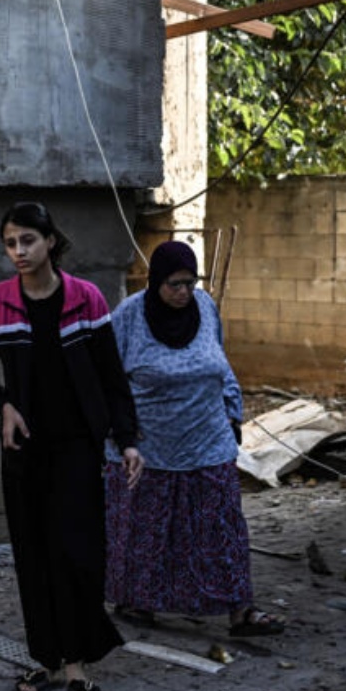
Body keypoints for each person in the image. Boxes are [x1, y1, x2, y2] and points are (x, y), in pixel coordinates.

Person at [0, 202, 144, 691]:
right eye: (9, 243)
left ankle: (77, 663)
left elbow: (112, 378)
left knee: (77, 553)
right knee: (34, 553)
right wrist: (1, 406)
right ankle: (46, 659)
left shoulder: (86, 299)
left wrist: (127, 439)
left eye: (27, 240)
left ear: (50, 241)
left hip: (76, 449)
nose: (18, 252)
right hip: (23, 450)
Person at [103, 241, 286, 637]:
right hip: (150, 446)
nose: (184, 292)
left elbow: (220, 362)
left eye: (190, 282)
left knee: (223, 528)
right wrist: (120, 435)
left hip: (208, 440)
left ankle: (240, 610)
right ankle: (138, 602)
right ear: (156, 282)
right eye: (174, 284)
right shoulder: (128, 317)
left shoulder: (205, 307)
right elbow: (109, 380)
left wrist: (233, 412)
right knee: (147, 533)